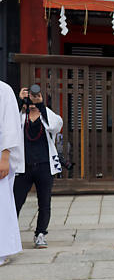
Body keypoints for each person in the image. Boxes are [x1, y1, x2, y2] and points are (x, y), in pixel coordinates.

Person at [14, 85, 63, 249]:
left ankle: (40, 234)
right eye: (30, 97)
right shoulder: (19, 116)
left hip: (44, 165)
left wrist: (41, 105)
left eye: (36, 96)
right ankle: (10, 234)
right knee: (15, 202)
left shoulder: (47, 115)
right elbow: (7, 126)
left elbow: (55, 126)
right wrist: (19, 101)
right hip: (23, 167)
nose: (33, 100)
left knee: (44, 202)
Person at [0, 80, 23, 267]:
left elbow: (10, 126)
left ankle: (3, 249)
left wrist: (5, 156)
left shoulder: (3, 90)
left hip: (0, 154)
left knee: (2, 204)